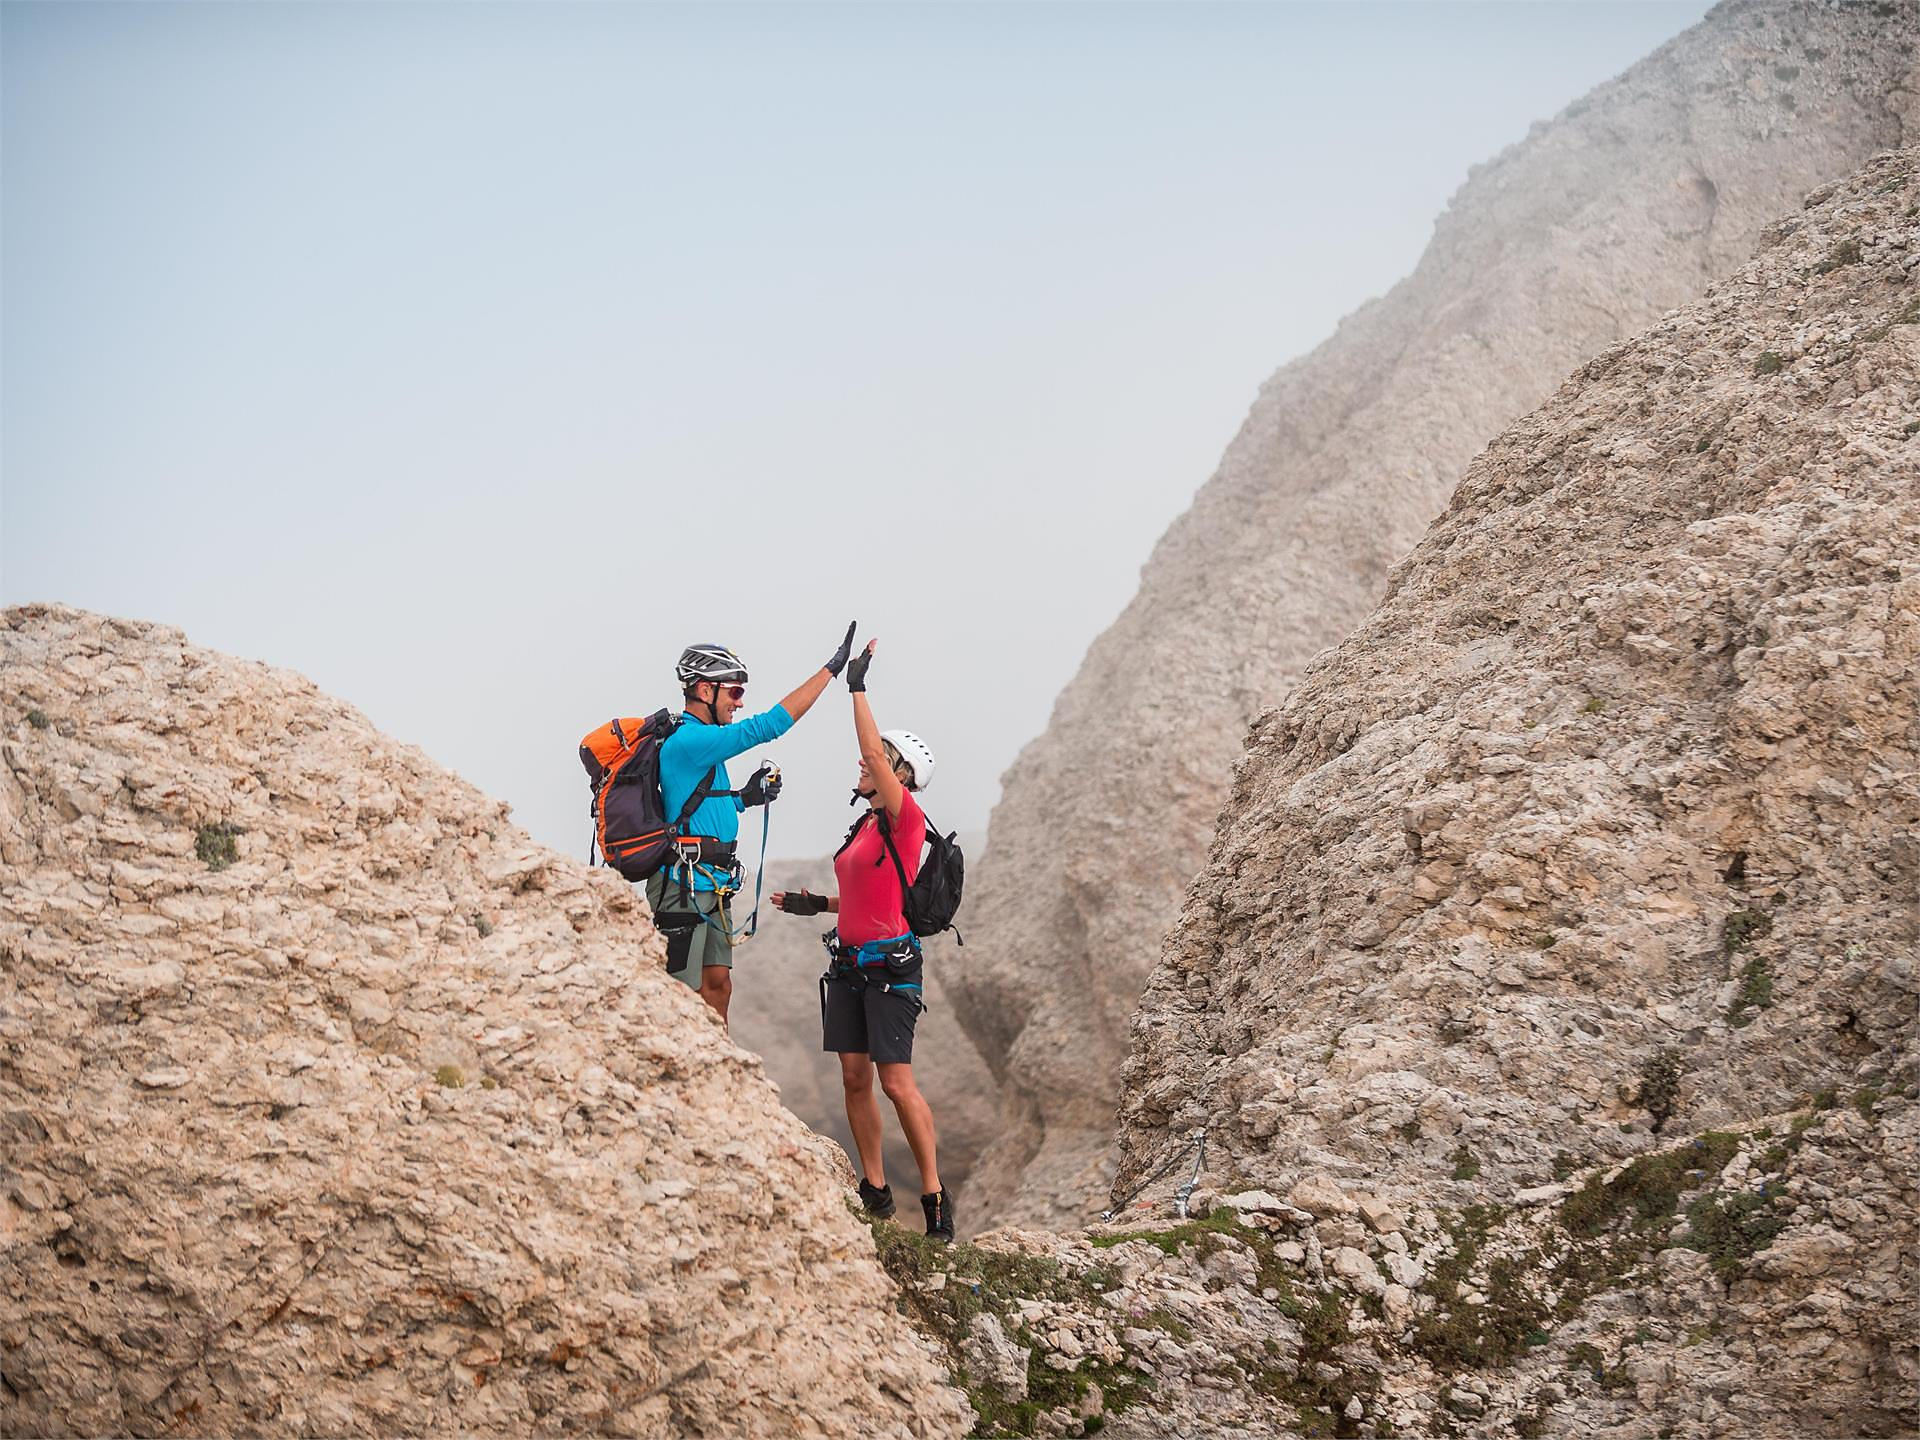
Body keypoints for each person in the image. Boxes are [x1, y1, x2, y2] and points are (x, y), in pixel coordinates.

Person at [772, 640, 953, 1243]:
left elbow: (869, 748)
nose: (867, 766)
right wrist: (815, 904)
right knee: (854, 1080)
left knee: (896, 1083)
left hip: (891, 970)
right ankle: (875, 1191)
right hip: (849, 966)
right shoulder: (866, 826)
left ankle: (933, 1199)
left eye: (883, 761)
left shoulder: (907, 819)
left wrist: (856, 686)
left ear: (899, 774)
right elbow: (869, 899)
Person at [649, 624, 856, 1023]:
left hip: (711, 880)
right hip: (682, 884)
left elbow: (695, 806)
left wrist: (744, 798)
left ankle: (720, 1071)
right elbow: (770, 726)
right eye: (735, 691)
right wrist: (830, 670)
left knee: (717, 986)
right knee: (679, 994)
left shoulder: (703, 741)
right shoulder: (690, 740)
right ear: (704, 690)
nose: (739, 703)